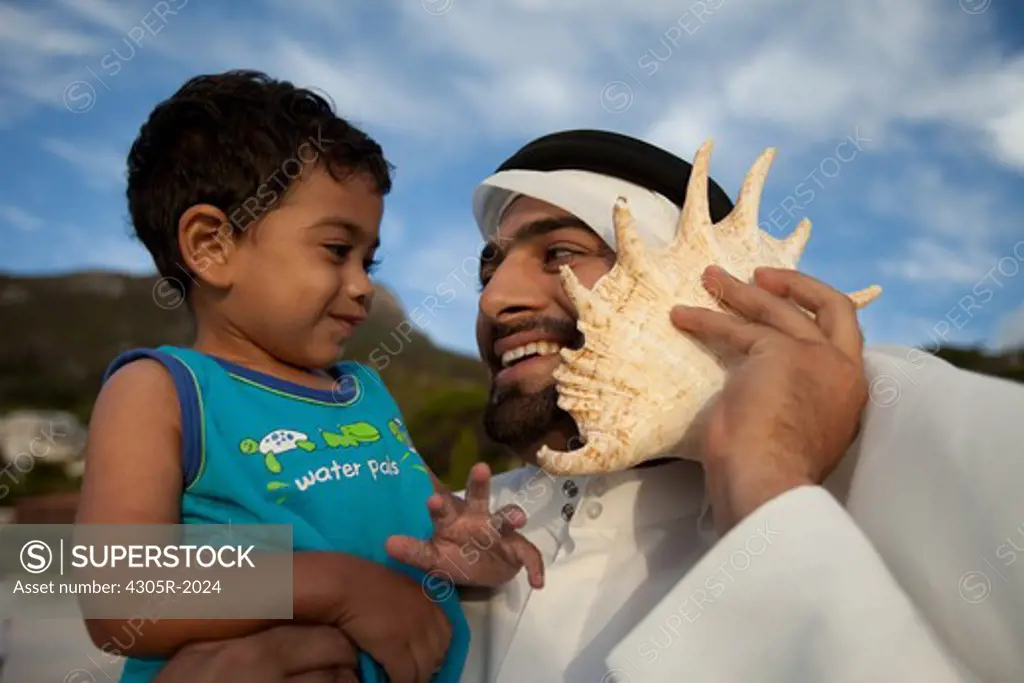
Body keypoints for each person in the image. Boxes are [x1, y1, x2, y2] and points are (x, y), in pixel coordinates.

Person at [153, 129, 1024, 682]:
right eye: (491, 268)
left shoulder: (909, 420)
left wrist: (767, 482)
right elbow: (62, 571)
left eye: (560, 253)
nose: (493, 302)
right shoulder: (172, 384)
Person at [75, 70, 544, 683]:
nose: (363, 286)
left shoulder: (365, 394)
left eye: (369, 259)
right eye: (335, 250)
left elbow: (436, 527)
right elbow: (116, 593)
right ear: (210, 245)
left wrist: (475, 550)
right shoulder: (162, 391)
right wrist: (337, 587)